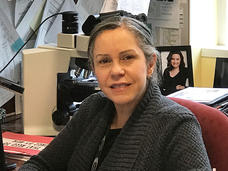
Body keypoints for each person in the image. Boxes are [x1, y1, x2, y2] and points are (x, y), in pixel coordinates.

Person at [19, 16, 211, 171]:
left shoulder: (177, 125)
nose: (116, 71)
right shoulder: (92, 108)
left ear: (150, 64)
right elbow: (41, 164)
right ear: (93, 68)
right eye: (104, 61)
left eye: (127, 57)